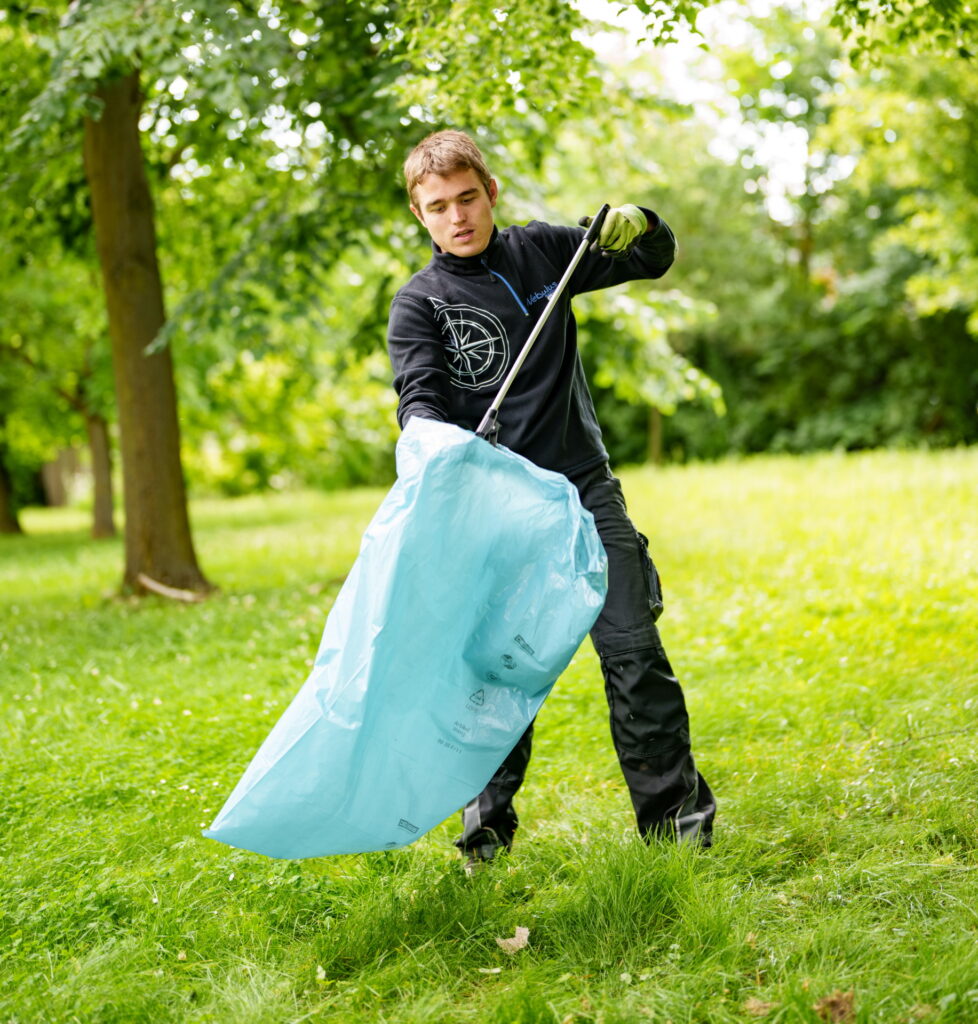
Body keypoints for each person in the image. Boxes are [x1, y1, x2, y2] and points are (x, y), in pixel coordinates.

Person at [386, 129, 715, 870]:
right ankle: (483, 842)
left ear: (490, 192)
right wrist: (433, 444)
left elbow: (649, 258)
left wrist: (645, 221)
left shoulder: (545, 254)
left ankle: (678, 838)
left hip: (584, 490)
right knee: (498, 676)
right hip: (494, 509)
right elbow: (420, 401)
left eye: (467, 198)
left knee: (634, 651)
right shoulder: (420, 304)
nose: (457, 218)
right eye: (437, 207)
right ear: (420, 215)